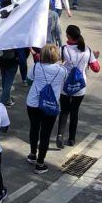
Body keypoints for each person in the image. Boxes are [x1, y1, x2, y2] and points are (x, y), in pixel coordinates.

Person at [26, 44, 67, 173]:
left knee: (34, 128)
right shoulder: (62, 70)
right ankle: (40, 163)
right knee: (45, 134)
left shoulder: (36, 66)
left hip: (33, 103)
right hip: (50, 105)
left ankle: (32, 154)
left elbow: (29, 80)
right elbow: (63, 82)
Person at [57, 26, 99, 149]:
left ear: (69, 36)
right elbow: (96, 68)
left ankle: (60, 135)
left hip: (65, 86)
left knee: (64, 111)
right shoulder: (87, 50)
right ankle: (71, 139)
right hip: (80, 87)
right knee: (74, 112)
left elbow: (52, 60)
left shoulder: (63, 49)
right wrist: (95, 57)